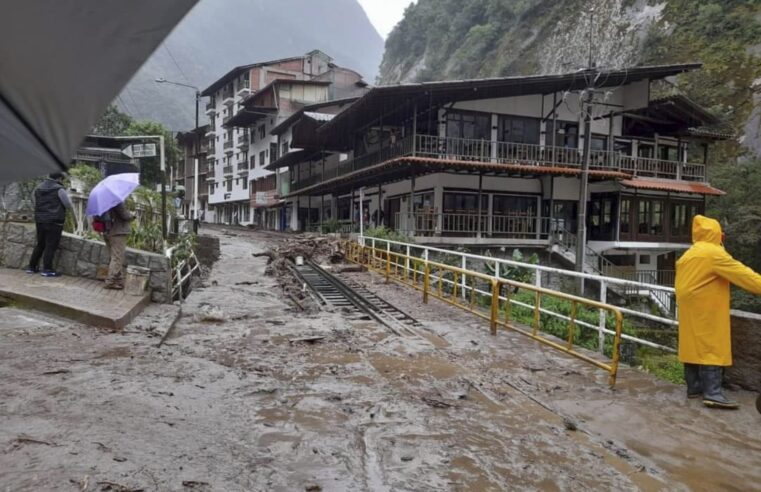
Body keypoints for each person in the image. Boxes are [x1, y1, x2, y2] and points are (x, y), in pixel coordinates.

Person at [675, 215, 761, 409]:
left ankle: (694, 387)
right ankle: (712, 393)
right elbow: (744, 275)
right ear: (717, 234)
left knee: (692, 344)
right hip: (707, 308)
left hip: (689, 308)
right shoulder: (714, 253)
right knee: (711, 345)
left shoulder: (689, 254)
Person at [26, 172, 73, 277]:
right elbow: (68, 205)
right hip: (54, 221)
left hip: (40, 220)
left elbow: (34, 201)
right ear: (60, 178)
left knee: (40, 244)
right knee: (50, 245)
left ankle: (31, 267)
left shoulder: (38, 188)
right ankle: (47, 269)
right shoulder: (59, 189)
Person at [103, 200, 135, 290]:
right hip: (117, 232)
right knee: (117, 258)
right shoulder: (116, 200)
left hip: (108, 230)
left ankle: (119, 280)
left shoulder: (104, 200)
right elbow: (125, 215)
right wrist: (132, 215)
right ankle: (110, 281)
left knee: (115, 257)